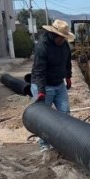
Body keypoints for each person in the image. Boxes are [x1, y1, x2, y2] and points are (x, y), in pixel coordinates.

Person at [31, 19, 74, 153]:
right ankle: (44, 144)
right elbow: (39, 71)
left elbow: (67, 61)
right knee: (45, 117)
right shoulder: (42, 47)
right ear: (54, 35)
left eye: (65, 38)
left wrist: (68, 76)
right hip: (44, 85)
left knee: (65, 112)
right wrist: (41, 91)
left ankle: (63, 141)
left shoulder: (64, 45)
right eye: (62, 38)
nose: (63, 40)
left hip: (58, 84)